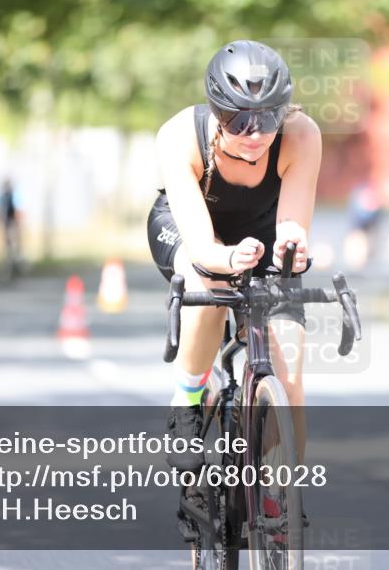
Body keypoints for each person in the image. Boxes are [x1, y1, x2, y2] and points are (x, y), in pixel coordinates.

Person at [147, 40, 321, 472]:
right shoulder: (179, 135)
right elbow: (205, 250)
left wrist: (290, 250)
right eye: (238, 119)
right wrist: (228, 259)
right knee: (211, 281)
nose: (254, 134)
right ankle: (187, 400)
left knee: (292, 380)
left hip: (261, 232)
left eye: (267, 119)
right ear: (216, 109)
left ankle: (279, 502)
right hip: (191, 228)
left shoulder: (301, 135)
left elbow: (293, 227)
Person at [0, 178, 24, 279]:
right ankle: (10, 266)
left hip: (13, 223)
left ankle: (17, 266)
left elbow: (19, 210)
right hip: (7, 224)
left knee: (15, 246)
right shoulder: (3, 197)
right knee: (8, 246)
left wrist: (18, 223)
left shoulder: (14, 196)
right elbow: (1, 211)